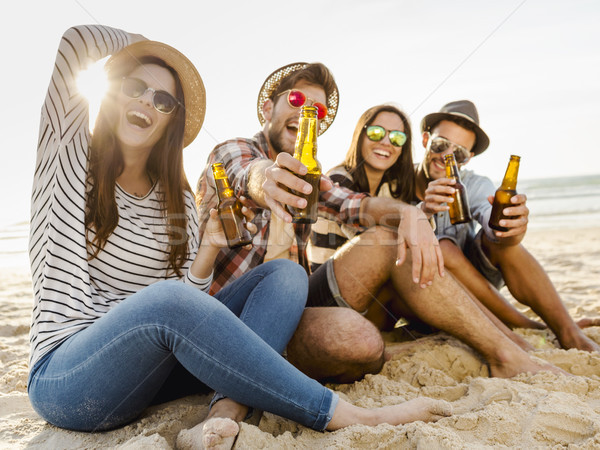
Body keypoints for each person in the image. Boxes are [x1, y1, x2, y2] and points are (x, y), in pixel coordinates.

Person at [27, 26, 452, 450]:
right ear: (109, 93)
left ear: (171, 119)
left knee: (285, 275)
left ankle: (225, 411)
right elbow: (75, 43)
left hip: (147, 377)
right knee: (168, 301)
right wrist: (158, 49)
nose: (145, 101)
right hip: (68, 377)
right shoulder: (68, 163)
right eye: (133, 86)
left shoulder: (174, 199)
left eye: (162, 99)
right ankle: (344, 414)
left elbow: (184, 295)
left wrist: (208, 248)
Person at [196, 65, 565, 390]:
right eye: (295, 99)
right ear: (267, 108)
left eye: (318, 109)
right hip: (233, 315)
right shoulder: (234, 149)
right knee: (364, 325)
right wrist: (266, 181)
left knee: (367, 319)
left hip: (296, 305)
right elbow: (247, 172)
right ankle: (507, 341)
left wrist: (409, 214)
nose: (307, 112)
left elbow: (353, 204)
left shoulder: (317, 176)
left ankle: (509, 350)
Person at [413, 99, 600, 352]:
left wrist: (510, 226)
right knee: (442, 247)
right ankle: (533, 326)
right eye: (440, 144)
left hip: (475, 279)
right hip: (423, 292)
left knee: (501, 242)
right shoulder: (399, 181)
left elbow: (493, 221)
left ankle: (569, 332)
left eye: (458, 153)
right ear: (425, 140)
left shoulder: (474, 184)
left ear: (469, 158)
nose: (447, 156)